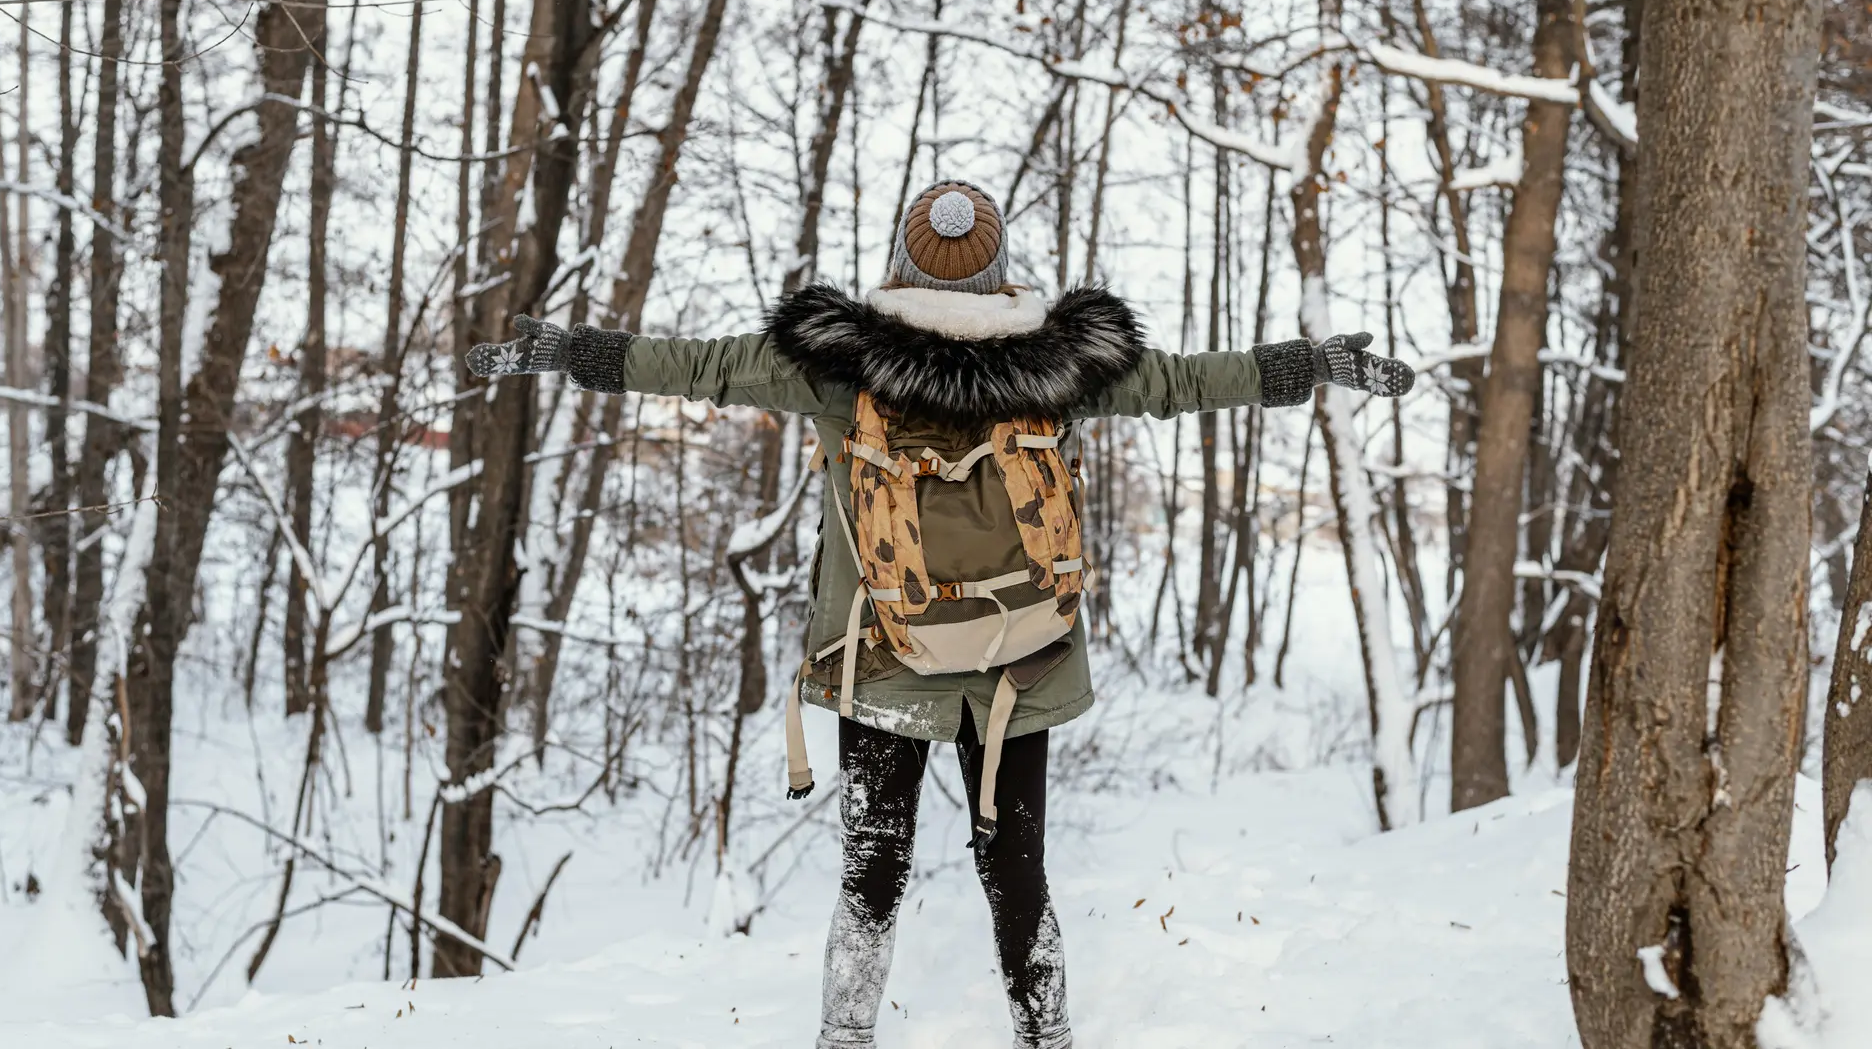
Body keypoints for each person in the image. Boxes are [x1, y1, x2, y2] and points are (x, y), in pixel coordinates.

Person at [465, 179, 1415, 1049]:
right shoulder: (1065, 367)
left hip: (882, 657)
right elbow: (1185, 383)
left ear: (900, 265)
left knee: (871, 867)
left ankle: (846, 1039)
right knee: (1018, 872)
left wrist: (567, 352)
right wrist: (1308, 363)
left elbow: (693, 367)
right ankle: (1046, 1039)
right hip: (1023, 658)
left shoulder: (837, 367)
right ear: (1000, 273)